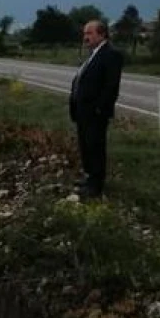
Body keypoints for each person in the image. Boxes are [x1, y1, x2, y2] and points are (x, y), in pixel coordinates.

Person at [68, 20, 124, 198]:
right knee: (85, 145)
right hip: (83, 111)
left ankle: (96, 185)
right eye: (85, 34)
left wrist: (100, 108)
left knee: (95, 146)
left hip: (95, 112)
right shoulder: (92, 55)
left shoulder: (110, 54)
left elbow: (111, 86)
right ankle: (89, 177)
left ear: (102, 34)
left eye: (89, 33)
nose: (85, 37)